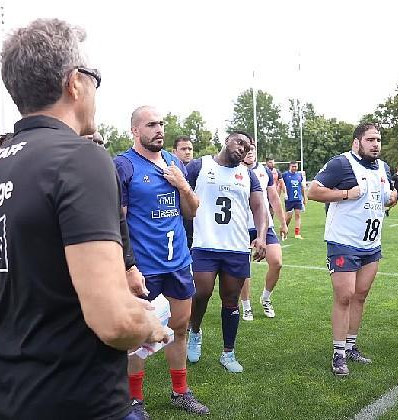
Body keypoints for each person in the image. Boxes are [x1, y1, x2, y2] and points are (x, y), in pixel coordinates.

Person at [0, 18, 168, 419]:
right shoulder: (81, 157)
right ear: (74, 82)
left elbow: (3, 293)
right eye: (94, 77)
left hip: (6, 394)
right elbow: (113, 322)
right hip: (75, 398)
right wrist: (150, 325)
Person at [115, 106, 209, 417]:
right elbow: (118, 222)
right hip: (144, 268)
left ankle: (180, 392)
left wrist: (183, 185)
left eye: (161, 124)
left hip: (178, 263)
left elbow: (191, 211)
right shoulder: (124, 166)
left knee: (179, 328)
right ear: (135, 130)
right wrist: (129, 267)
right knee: (137, 336)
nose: (159, 130)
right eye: (151, 125)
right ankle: (134, 400)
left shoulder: (173, 162)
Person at [308, 123, 395, 376]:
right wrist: (346, 193)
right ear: (357, 142)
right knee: (344, 296)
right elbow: (313, 191)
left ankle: (350, 346)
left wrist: (391, 199)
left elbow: (386, 198)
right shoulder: (341, 163)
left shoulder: (383, 168)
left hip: (371, 244)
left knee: (360, 295)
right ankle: (338, 354)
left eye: (378, 140)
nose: (376, 144)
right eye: (370, 140)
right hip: (343, 242)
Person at [185, 131, 268, 373]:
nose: (242, 148)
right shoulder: (199, 166)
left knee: (231, 300)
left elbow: (259, 207)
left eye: (247, 147)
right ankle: (195, 331)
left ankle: (228, 353)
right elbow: (182, 196)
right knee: (201, 292)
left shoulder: (248, 175)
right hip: (204, 243)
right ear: (226, 140)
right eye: (239, 142)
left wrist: (261, 236)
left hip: (236, 247)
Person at [239, 140, 287, 321]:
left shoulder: (265, 171)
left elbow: (273, 198)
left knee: (276, 262)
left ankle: (266, 298)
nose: (250, 152)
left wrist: (283, 222)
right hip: (241, 227)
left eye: (252, 149)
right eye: (246, 149)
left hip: (264, 226)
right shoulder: (234, 170)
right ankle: (246, 306)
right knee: (243, 269)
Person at [173, 136, 195, 248]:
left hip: (195, 223)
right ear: (174, 151)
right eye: (183, 149)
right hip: (177, 221)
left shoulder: (201, 170)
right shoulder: (170, 170)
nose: (187, 152)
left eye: (190, 149)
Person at [281, 161, 306, 239]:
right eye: (293, 166)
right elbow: (281, 184)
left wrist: (304, 198)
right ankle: (284, 230)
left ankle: (297, 234)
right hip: (289, 199)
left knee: (298, 215)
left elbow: (302, 187)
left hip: (298, 198)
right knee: (289, 216)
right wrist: (284, 193)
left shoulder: (299, 175)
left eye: (295, 166)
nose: (294, 168)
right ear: (290, 167)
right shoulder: (285, 175)